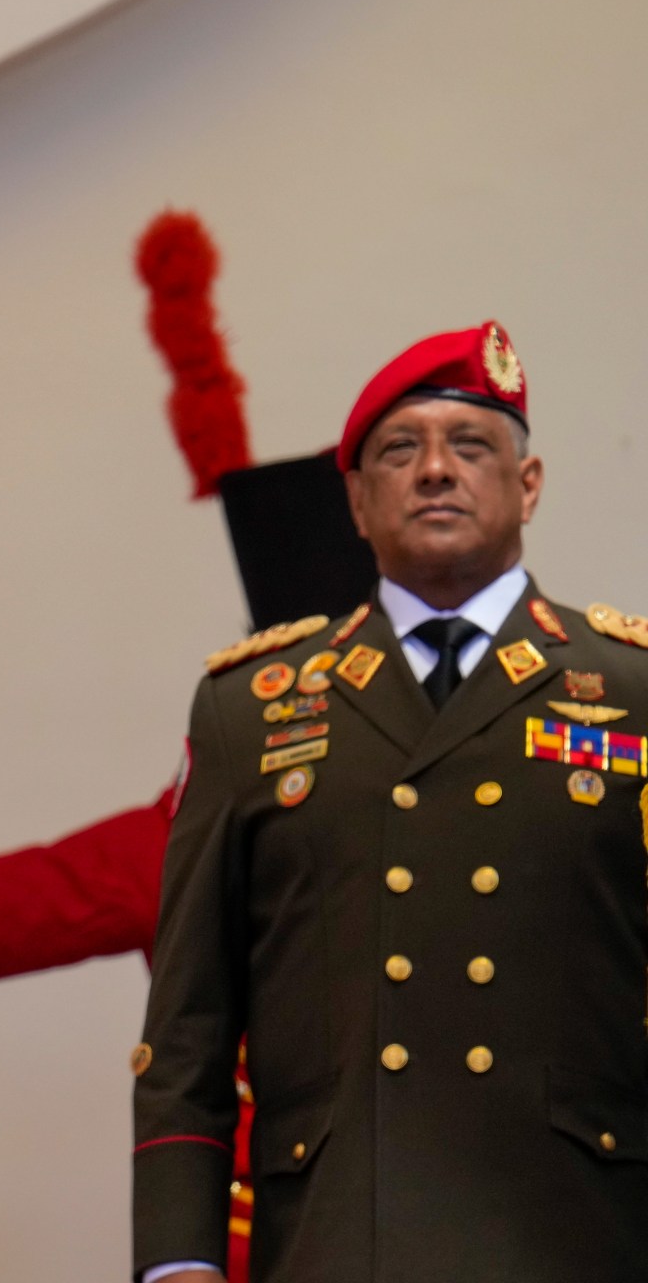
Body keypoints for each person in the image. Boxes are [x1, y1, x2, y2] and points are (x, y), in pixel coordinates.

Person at [134, 322, 648, 1280]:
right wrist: (178, 1262)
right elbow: (186, 1033)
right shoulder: (251, 710)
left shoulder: (631, 692)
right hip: (342, 1238)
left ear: (528, 487)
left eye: (472, 444)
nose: (437, 470)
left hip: (583, 1235)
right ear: (357, 502)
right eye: (401, 450)